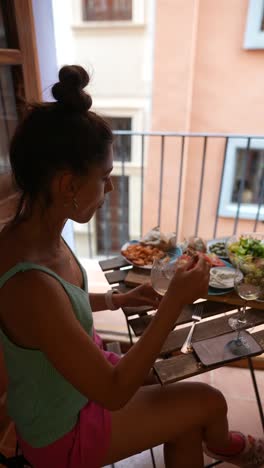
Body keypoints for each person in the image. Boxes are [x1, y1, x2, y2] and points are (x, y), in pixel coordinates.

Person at [0, 65, 262, 468]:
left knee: (187, 414)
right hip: (62, 430)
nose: (110, 189)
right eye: (104, 177)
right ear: (68, 185)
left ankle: (216, 441)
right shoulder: (29, 282)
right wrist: (174, 301)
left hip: (72, 387)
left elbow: (56, 312)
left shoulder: (32, 237)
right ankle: (226, 445)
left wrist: (113, 298)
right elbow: (113, 392)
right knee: (207, 400)